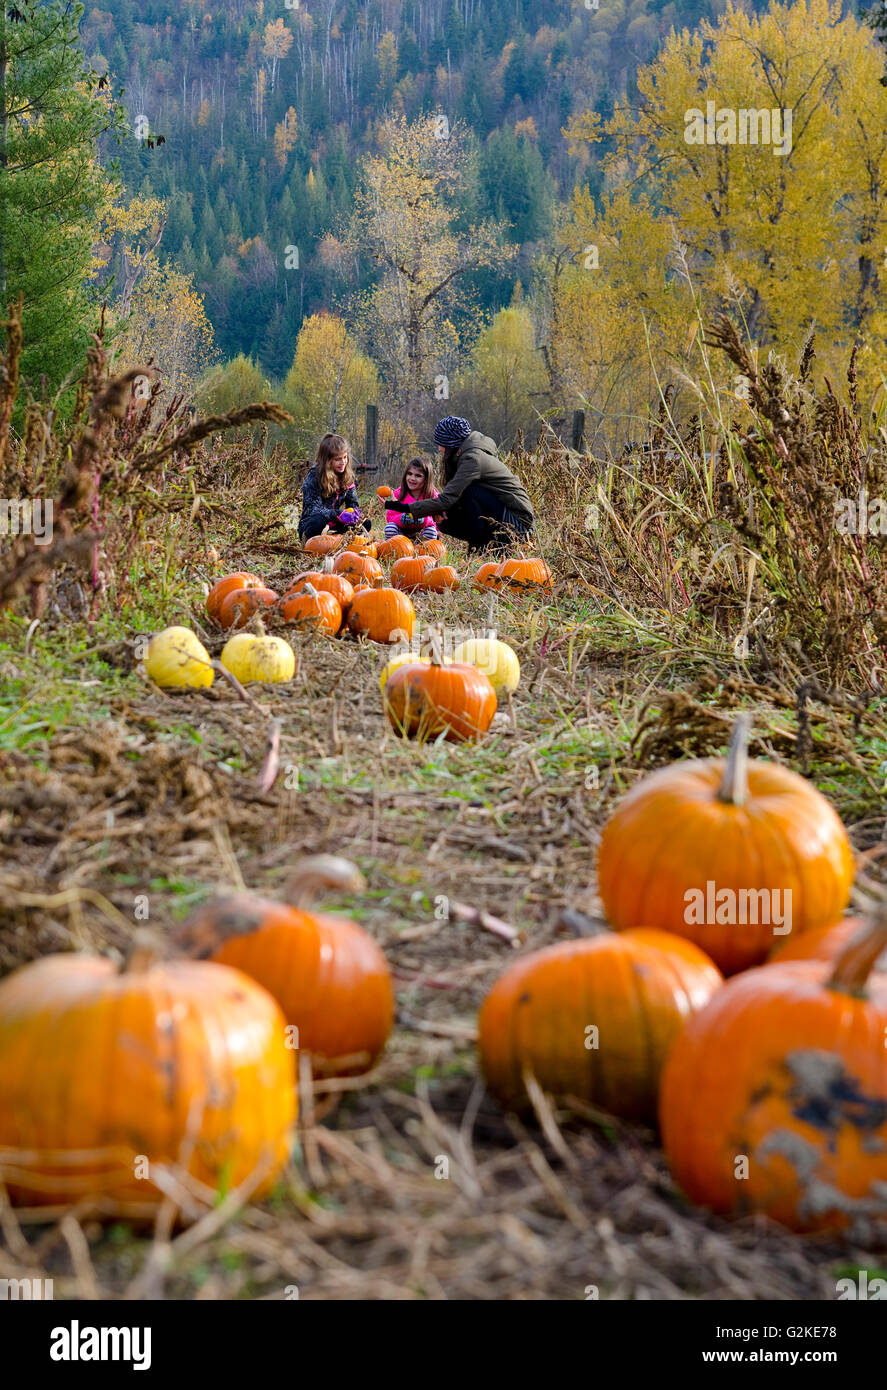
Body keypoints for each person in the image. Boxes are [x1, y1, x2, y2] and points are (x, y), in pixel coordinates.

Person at [386, 417, 534, 554]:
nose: (439, 449)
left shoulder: (472, 458)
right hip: (502, 515)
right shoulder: (465, 454)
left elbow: (448, 499)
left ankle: (480, 548)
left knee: (468, 492)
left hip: (518, 523)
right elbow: (448, 501)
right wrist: (440, 510)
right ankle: (493, 546)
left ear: (451, 443)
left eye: (441, 443)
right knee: (446, 518)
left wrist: (404, 508)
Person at [297, 433, 371, 542]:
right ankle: (310, 540)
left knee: (366, 523)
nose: (343, 462)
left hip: (336, 524)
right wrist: (338, 514)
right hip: (313, 523)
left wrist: (355, 514)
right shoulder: (314, 476)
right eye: (338, 459)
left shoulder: (348, 477)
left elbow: (353, 504)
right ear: (327, 460)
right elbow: (313, 509)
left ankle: (337, 540)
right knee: (318, 521)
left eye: (345, 457)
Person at [384, 457, 441, 544]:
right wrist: (402, 518)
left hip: (422, 535)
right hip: (402, 536)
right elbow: (390, 517)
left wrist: (424, 519)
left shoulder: (432, 495)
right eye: (409, 474)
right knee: (390, 528)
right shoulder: (398, 494)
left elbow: (437, 521)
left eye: (418, 476)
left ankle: (419, 550)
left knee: (431, 532)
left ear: (426, 479)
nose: (412, 478)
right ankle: (400, 549)